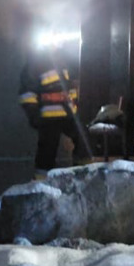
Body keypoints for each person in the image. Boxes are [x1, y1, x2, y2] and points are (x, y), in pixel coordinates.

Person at [18, 40, 90, 175]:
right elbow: (27, 94)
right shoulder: (34, 64)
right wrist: (34, 116)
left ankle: (81, 175)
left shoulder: (63, 62)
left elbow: (70, 89)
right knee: (47, 152)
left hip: (67, 115)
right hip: (48, 118)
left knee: (83, 140)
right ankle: (42, 182)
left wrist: (74, 108)